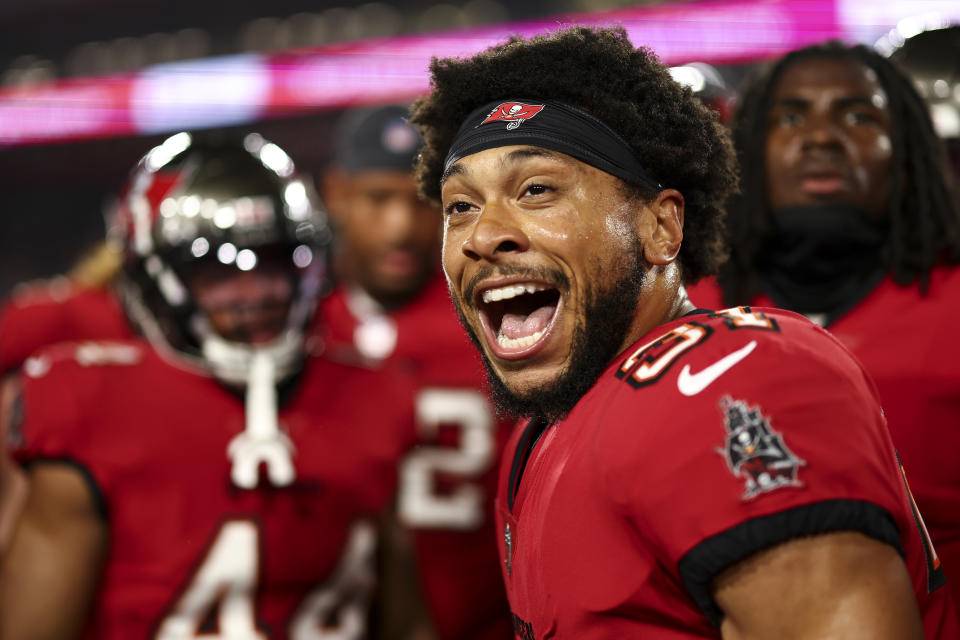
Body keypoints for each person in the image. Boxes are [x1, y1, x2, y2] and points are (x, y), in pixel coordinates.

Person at [408, 25, 959, 638]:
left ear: (661, 228)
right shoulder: (542, 426)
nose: (484, 235)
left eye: (536, 190)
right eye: (461, 206)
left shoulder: (729, 377)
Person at [0, 132, 418, 639]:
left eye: (273, 261)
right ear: (158, 274)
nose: (255, 292)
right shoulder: (90, 402)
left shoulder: (377, 392)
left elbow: (407, 622)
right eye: (217, 271)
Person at [686, 41, 960, 608]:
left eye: (858, 115)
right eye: (791, 116)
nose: (820, 137)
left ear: (907, 144)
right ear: (750, 146)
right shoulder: (681, 309)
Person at [319, 104, 514, 640]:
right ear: (336, 193)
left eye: (424, 202)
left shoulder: (496, 320)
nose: (401, 227)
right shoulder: (295, 330)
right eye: (378, 199)